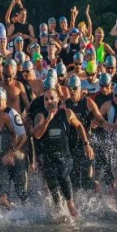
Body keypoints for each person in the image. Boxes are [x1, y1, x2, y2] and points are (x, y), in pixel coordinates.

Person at [32, 88, 94, 218]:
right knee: (54, 189)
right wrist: (48, 119)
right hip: (48, 158)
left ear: (58, 100)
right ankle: (61, 215)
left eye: (52, 98)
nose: (49, 102)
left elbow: (79, 126)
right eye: (46, 99)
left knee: (62, 174)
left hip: (64, 156)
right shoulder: (41, 116)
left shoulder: (67, 113)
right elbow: (37, 135)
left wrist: (86, 144)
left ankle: (71, 206)